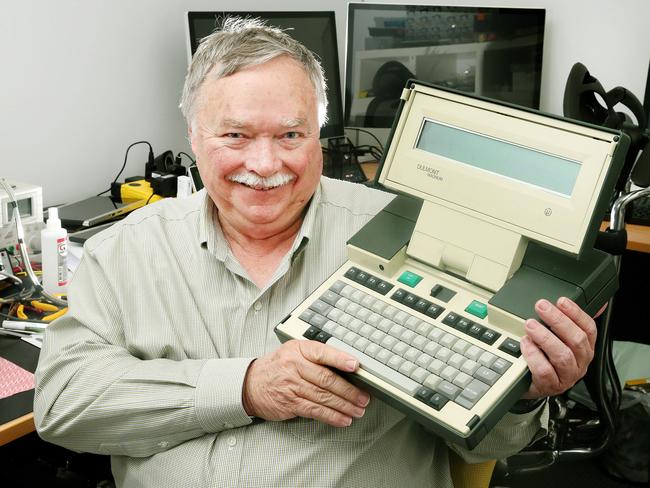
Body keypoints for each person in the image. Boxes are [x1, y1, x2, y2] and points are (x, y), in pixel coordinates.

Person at [34, 18, 599, 488]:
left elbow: (481, 447)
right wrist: (248, 387)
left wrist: (526, 395)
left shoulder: (409, 239)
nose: (265, 164)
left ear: (320, 135)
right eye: (234, 136)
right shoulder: (123, 251)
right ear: (192, 136)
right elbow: (63, 404)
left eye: (291, 135)